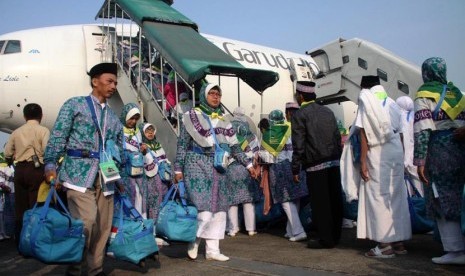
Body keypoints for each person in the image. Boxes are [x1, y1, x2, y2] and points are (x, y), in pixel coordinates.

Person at [44, 63, 124, 276]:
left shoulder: (114, 117)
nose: (113, 86)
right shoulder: (74, 105)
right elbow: (59, 135)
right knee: (86, 222)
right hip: (78, 173)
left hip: (106, 177)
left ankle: (95, 269)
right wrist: (50, 164)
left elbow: (120, 147)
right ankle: (75, 267)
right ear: (95, 81)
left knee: (103, 227)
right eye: (109, 81)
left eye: (115, 82)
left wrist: (119, 176)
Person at [174, 83, 256, 262]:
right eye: (211, 93)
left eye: (217, 94)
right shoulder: (191, 116)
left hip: (220, 168)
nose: (215, 97)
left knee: (220, 211)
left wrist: (249, 166)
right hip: (197, 166)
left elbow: (235, 147)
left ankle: (213, 250)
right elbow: (182, 144)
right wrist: (178, 168)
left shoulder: (226, 120)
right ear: (204, 95)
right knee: (204, 211)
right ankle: (194, 239)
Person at [344, 75, 411, 258]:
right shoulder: (392, 102)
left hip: (378, 152)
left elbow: (364, 134)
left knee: (378, 197)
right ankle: (399, 243)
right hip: (396, 150)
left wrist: (363, 162)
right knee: (395, 196)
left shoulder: (366, 100)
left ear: (363, 87)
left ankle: (384, 245)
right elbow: (401, 133)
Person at [413, 57, 465, 265]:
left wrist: (420, 161)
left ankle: (454, 250)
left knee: (440, 198)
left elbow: (423, 130)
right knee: (458, 198)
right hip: (460, 151)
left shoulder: (424, 95)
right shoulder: (458, 94)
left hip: (439, 153)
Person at [291, 81, 343, 249]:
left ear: (300, 96)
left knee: (320, 203)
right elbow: (337, 137)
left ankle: (325, 239)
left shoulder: (300, 115)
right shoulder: (328, 111)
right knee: (335, 199)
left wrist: (295, 167)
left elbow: (298, 145)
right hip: (334, 161)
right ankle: (335, 236)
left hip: (315, 164)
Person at [4, 103, 49, 248]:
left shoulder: (16, 132)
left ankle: (20, 241)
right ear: (41, 116)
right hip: (36, 170)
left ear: (24, 116)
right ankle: (35, 240)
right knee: (36, 204)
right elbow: (47, 151)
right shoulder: (43, 130)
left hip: (20, 170)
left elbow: (7, 153)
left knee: (20, 207)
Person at [259, 109, 308, 242]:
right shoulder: (292, 127)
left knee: (285, 201)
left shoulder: (270, 133)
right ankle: (290, 230)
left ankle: (298, 231)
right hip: (297, 166)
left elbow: (265, 157)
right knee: (295, 198)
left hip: (280, 168)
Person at [225, 107, 260, 237]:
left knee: (232, 201)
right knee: (248, 200)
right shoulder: (250, 134)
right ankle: (251, 229)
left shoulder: (227, 131)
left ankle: (233, 229)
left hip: (231, 169)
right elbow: (257, 153)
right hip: (248, 168)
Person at [139, 122, 170, 246]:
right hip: (151, 178)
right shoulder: (142, 146)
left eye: (152, 130)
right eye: (147, 131)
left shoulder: (157, 144)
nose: (150, 133)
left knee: (162, 203)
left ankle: (160, 230)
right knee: (153, 204)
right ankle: (153, 232)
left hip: (163, 178)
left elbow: (164, 158)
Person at [120, 104, 147, 218]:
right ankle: (130, 220)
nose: (133, 121)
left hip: (138, 169)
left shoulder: (138, 131)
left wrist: (143, 150)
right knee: (129, 193)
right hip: (125, 169)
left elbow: (140, 147)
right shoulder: (119, 130)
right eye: (131, 118)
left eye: (136, 119)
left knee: (140, 194)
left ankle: (141, 219)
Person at [396, 96, 423, 196]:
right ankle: (421, 204)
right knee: (419, 184)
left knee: (406, 185)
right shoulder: (415, 116)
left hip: (404, 156)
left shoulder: (399, 117)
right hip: (416, 156)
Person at [0, 152, 15, 240]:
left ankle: (9, 233)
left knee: (9, 213)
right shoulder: (3, 163)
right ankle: (8, 232)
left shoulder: (14, 164)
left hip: (12, 191)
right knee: (7, 213)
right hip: (8, 192)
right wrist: (4, 187)